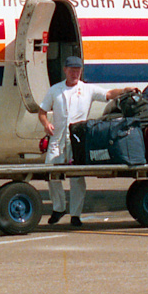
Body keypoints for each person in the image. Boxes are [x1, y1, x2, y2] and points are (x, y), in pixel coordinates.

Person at [38, 55, 103, 226]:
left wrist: (126, 90)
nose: (75, 73)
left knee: (77, 179)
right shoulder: (55, 90)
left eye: (78, 70)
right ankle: (59, 208)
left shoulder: (88, 89)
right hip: (57, 139)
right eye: (72, 70)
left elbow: (108, 94)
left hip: (77, 140)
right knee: (52, 174)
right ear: (65, 70)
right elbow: (42, 112)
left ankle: (76, 214)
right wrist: (46, 124)